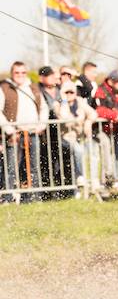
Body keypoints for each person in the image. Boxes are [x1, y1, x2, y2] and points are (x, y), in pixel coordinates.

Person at [1, 62, 49, 199]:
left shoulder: (33, 88)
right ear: (12, 73)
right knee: (12, 167)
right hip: (14, 134)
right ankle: (8, 197)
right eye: (17, 72)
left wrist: (42, 124)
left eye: (23, 72)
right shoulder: (5, 88)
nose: (20, 75)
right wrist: (9, 129)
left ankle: (34, 196)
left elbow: (44, 108)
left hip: (33, 133)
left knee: (34, 167)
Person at [57, 80, 98, 194]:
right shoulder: (59, 104)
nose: (69, 95)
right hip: (67, 138)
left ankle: (94, 181)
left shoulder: (80, 102)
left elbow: (93, 113)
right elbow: (64, 119)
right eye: (67, 92)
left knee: (93, 152)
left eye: (72, 92)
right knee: (79, 151)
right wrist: (78, 120)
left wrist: (88, 121)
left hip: (81, 137)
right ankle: (80, 176)